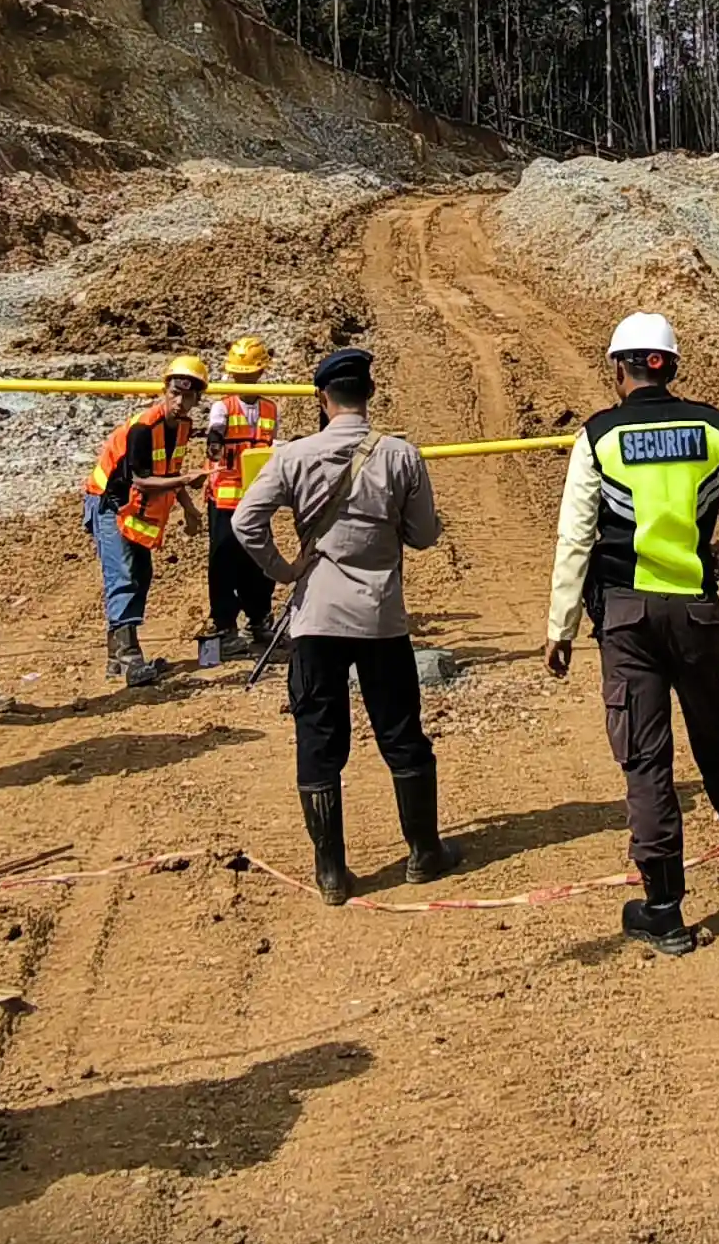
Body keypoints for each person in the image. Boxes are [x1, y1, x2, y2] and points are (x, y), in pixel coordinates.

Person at [545, 310, 719, 956]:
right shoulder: (711, 426)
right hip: (696, 610)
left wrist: (561, 626)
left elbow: (575, 536)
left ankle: (664, 909)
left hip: (626, 617)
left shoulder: (598, 435)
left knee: (647, 761)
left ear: (618, 369)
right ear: (671, 365)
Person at [232, 347, 454, 901]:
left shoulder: (293, 456)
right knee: (402, 735)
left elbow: (244, 520)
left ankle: (331, 871)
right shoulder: (402, 456)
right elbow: (425, 536)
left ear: (322, 399)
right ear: (370, 394)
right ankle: (424, 853)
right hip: (381, 620)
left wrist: (283, 570)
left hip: (316, 618)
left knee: (319, 738)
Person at [89, 356, 209, 688]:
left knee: (140, 574)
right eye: (174, 394)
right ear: (165, 390)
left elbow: (169, 471)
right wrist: (187, 481)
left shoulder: (183, 427)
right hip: (109, 502)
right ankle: (129, 660)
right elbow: (142, 480)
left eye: (187, 397)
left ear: (197, 399)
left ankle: (116, 658)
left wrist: (188, 508)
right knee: (124, 576)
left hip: (131, 508)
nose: (179, 402)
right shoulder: (144, 428)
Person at [199, 334, 283, 669]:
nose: (244, 380)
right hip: (225, 496)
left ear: (261, 373)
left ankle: (259, 618)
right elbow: (215, 429)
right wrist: (215, 443)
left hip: (257, 497)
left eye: (250, 375)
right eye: (240, 375)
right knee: (223, 562)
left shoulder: (269, 407)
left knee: (259, 560)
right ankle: (225, 626)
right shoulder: (223, 406)